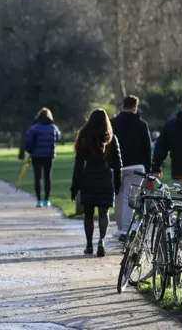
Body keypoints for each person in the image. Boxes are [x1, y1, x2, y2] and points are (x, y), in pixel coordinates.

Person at [70, 109, 122, 257]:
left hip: (89, 178)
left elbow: (78, 164)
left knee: (88, 214)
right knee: (103, 212)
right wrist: (117, 183)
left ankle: (88, 245)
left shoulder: (84, 137)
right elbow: (118, 164)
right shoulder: (111, 138)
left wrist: (75, 186)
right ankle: (102, 240)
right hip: (105, 177)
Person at [110, 95, 151, 241]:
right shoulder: (141, 124)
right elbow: (147, 148)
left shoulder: (112, 123)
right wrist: (149, 167)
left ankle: (121, 227)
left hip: (115, 165)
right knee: (130, 198)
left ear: (122, 106)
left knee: (118, 197)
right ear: (135, 108)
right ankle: (126, 229)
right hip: (136, 165)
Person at [23, 107, 61, 208]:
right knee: (47, 178)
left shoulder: (34, 128)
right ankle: (46, 199)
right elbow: (58, 138)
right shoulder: (53, 128)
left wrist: (30, 150)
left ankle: (39, 200)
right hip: (49, 155)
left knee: (37, 177)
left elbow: (28, 141)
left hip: (36, 156)